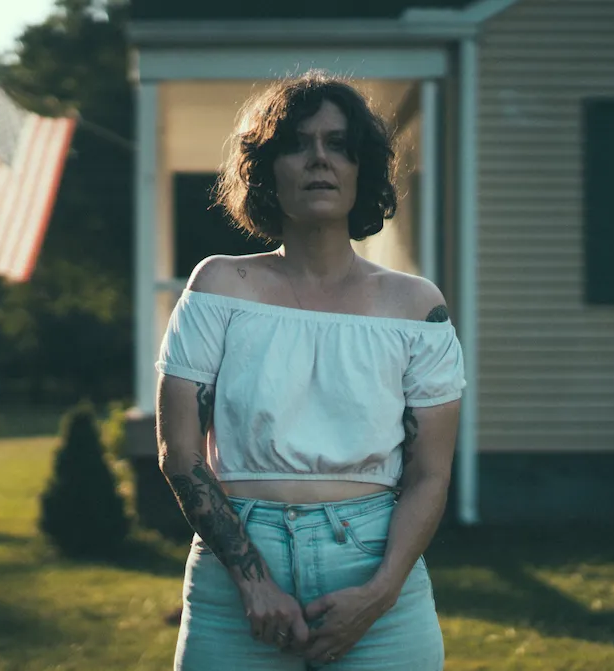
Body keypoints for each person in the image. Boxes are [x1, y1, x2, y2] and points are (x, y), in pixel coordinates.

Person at [155, 70, 465, 671]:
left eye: (338, 144)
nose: (319, 159)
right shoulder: (219, 286)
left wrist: (378, 596)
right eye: (297, 143)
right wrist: (255, 584)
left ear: (361, 169)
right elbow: (181, 454)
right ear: (268, 171)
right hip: (235, 578)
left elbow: (430, 474)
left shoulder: (418, 308)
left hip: (376, 573)